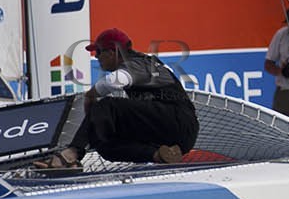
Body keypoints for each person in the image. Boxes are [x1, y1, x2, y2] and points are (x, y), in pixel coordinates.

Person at [34, 28, 198, 168]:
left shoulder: (137, 63)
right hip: (173, 137)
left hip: (179, 123)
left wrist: (91, 96)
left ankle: (70, 155)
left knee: (107, 105)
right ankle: (160, 155)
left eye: (98, 51)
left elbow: (116, 81)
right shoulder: (138, 63)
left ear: (113, 53)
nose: (96, 57)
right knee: (104, 143)